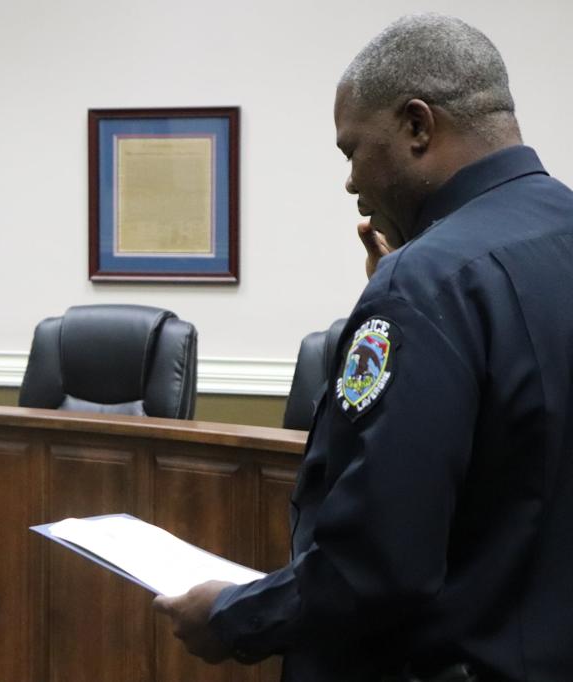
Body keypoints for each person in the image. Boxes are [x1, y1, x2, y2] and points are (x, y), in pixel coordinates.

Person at [154, 13, 573, 681]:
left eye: (351, 150)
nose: (350, 182)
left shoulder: (426, 284)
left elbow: (380, 562)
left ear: (416, 126)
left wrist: (234, 617)